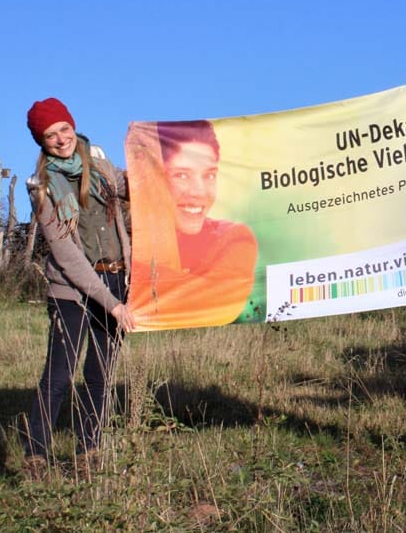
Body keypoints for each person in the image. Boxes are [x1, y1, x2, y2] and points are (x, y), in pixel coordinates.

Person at [22, 97, 135, 479]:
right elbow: (67, 256)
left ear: (73, 126)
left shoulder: (101, 168)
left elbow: (134, 187)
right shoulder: (42, 187)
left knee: (99, 375)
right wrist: (112, 304)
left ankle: (89, 454)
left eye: (63, 130)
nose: (60, 139)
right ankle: (36, 456)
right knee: (58, 375)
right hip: (71, 290)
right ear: (41, 142)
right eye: (50, 135)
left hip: (116, 277)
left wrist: (156, 162)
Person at [128, 120, 258, 330]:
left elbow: (219, 303)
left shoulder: (234, 238)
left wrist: (136, 271)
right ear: (155, 177)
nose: (199, 191)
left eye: (209, 175)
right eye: (181, 175)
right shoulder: (132, 235)